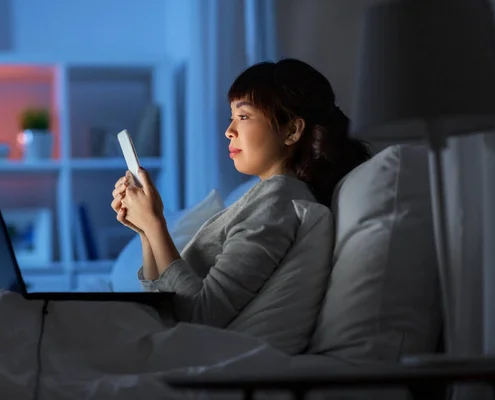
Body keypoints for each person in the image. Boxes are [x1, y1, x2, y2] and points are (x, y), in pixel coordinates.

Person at [110, 58, 370, 329]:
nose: (229, 131)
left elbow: (200, 315)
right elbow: (160, 300)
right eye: (231, 117)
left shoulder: (277, 200)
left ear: (292, 130)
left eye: (243, 117)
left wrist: (155, 224)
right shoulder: (264, 196)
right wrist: (146, 231)